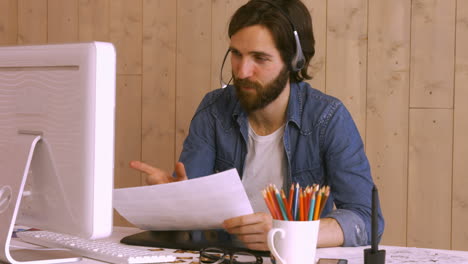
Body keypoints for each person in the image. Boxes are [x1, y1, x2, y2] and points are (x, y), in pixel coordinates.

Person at [130, 0, 384, 251]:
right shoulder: (213, 110)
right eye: (236, 55)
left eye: (260, 58)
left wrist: (285, 233)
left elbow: (366, 219)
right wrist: (172, 201)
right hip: (223, 255)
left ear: (295, 61)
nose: (241, 72)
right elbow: (192, 218)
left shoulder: (328, 118)